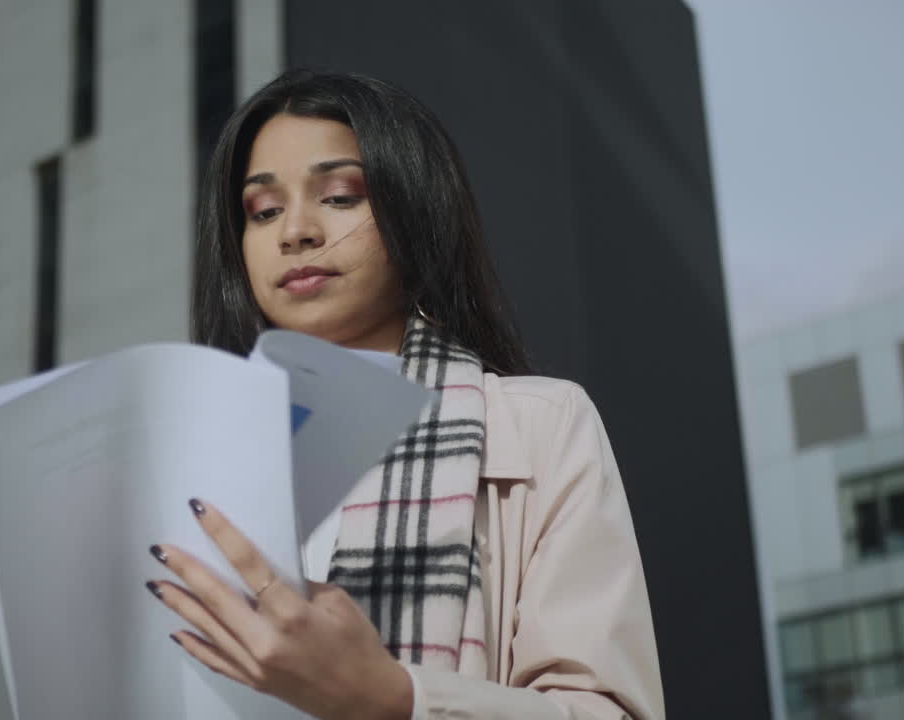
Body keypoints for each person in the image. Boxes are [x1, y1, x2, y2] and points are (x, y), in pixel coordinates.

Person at [144, 69, 664, 720]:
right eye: (264, 210)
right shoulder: (192, 460)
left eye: (338, 196)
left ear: (414, 210)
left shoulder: (539, 425)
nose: (295, 232)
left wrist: (393, 699)